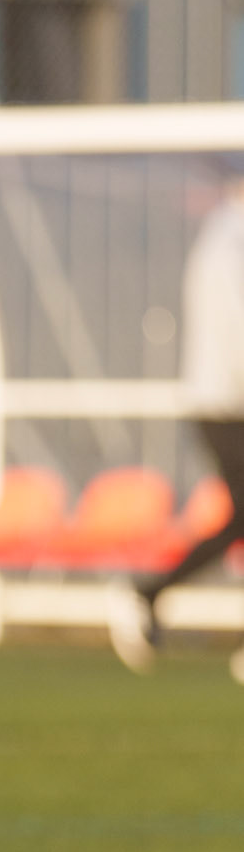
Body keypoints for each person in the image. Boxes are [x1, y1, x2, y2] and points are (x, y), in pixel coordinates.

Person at [110, 171, 244, 678]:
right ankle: (146, 592)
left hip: (226, 402)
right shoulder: (228, 245)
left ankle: (149, 593)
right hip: (226, 404)